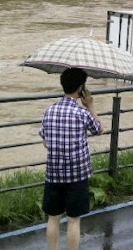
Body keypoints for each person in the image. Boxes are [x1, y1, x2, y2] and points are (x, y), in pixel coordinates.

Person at [39, 67, 103, 250]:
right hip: (77, 174)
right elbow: (99, 129)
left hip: (53, 173)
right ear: (81, 88)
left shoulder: (49, 111)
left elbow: (45, 141)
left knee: (53, 217)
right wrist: (90, 105)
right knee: (74, 220)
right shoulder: (81, 113)